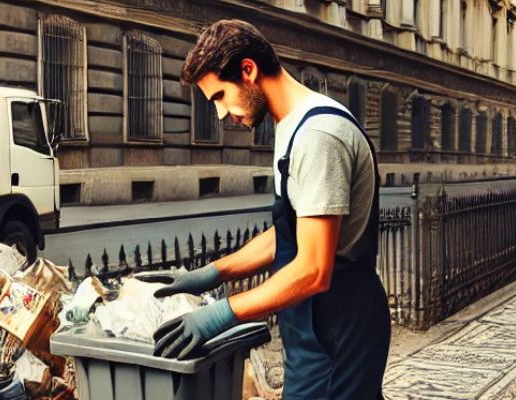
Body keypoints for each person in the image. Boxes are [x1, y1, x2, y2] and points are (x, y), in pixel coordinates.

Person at [134, 19, 388, 399]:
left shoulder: (318, 137)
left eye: (220, 96)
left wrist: (220, 316)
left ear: (248, 70)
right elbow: (291, 232)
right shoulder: (291, 126)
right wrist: (211, 273)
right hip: (317, 332)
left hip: (338, 336)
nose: (221, 115)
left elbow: (314, 269)